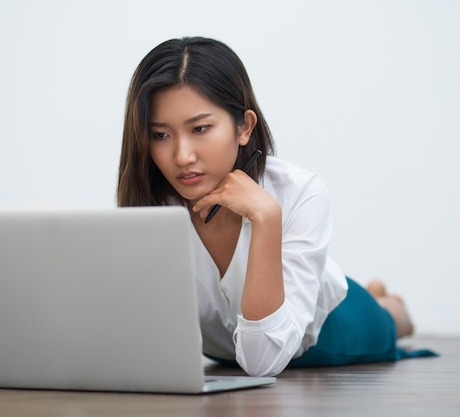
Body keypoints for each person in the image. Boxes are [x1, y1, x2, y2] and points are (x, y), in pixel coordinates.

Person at [117, 36, 435, 377]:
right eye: (160, 135)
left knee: (389, 321)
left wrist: (267, 218)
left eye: (200, 128)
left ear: (244, 127)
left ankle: (388, 302)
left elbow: (262, 362)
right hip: (229, 352)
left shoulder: (300, 191)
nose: (182, 156)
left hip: (330, 332)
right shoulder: (154, 205)